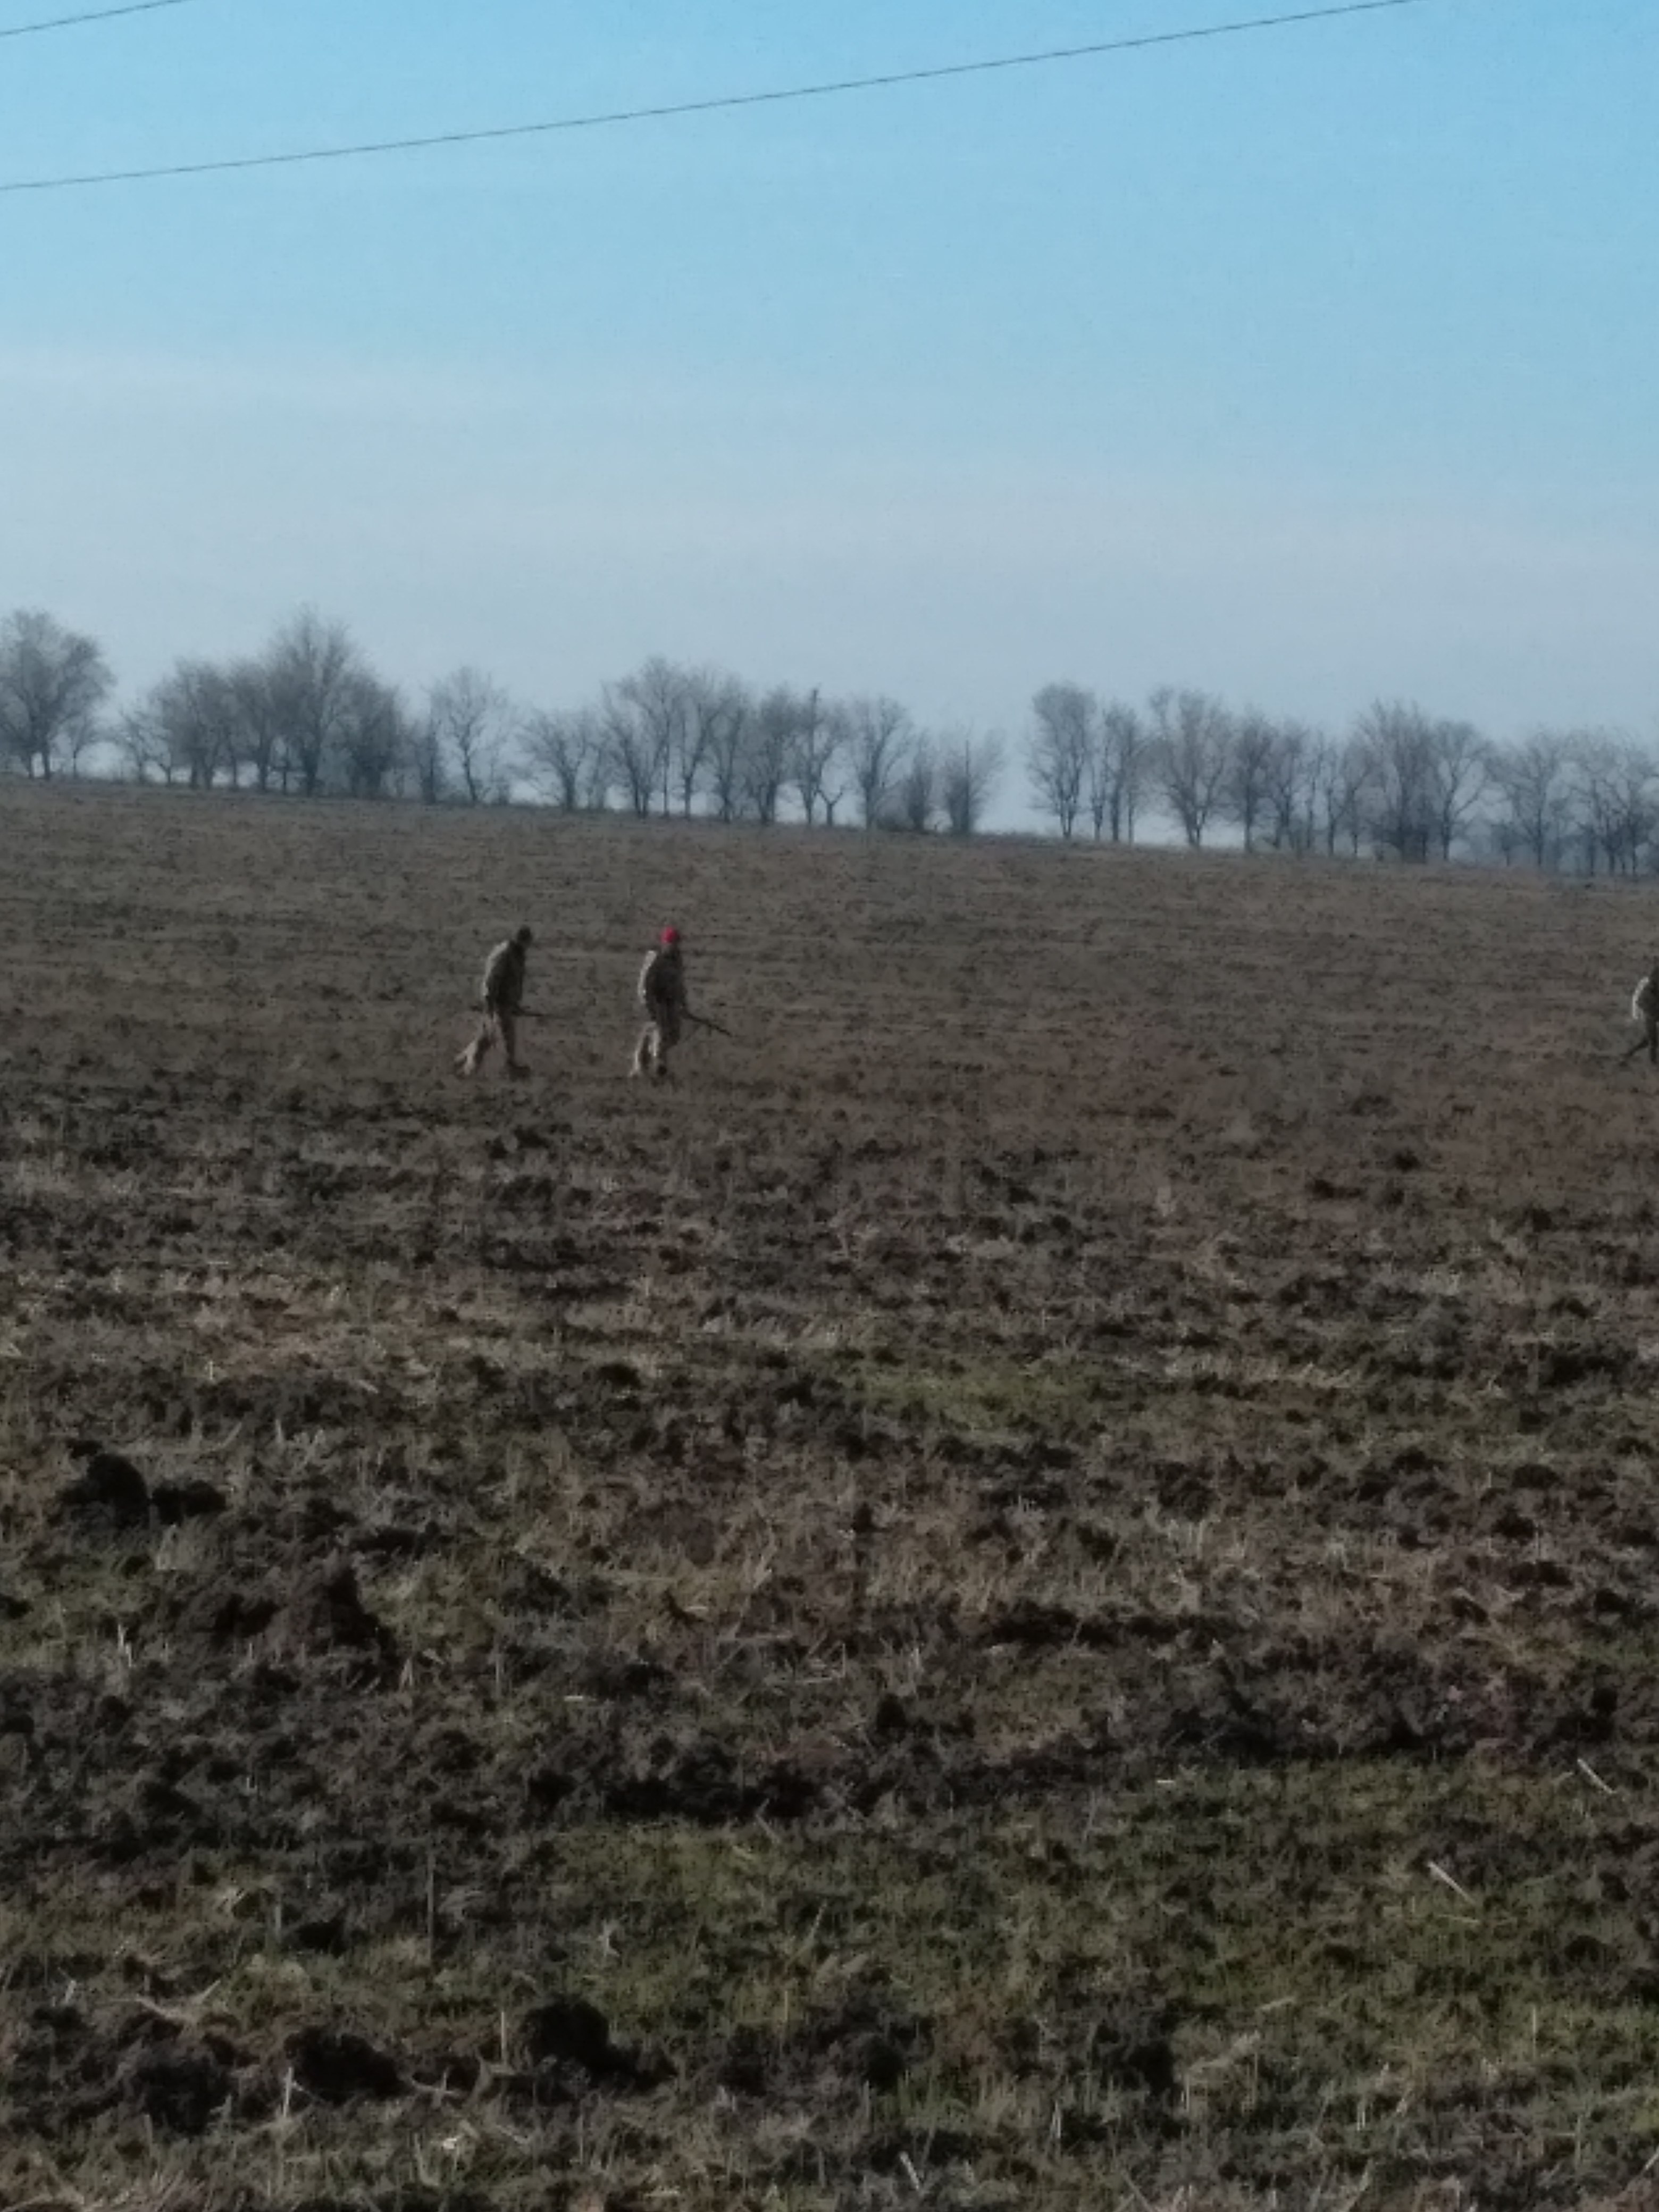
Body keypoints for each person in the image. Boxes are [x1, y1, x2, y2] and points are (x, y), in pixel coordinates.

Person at [457, 925, 533, 1078]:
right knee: (504, 1033)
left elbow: (515, 980)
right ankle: (510, 1066)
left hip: (506, 1001)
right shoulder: (504, 954)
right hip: (498, 1000)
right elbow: (492, 978)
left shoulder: (518, 954)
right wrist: (489, 1002)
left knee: (487, 1036)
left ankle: (463, 1061)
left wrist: (515, 1004)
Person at [632, 925, 690, 1080]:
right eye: (673, 943)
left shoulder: (677, 960)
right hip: (655, 1000)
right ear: (666, 943)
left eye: (677, 943)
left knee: (673, 1034)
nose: (676, 946)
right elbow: (645, 981)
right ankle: (658, 1063)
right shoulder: (655, 958)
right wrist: (648, 1002)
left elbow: (679, 983)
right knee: (660, 1031)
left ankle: (643, 1063)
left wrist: (683, 1003)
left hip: (670, 1001)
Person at [1624, 960, 1659, 1066]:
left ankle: (1630, 1053)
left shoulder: (1651, 978)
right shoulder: (1653, 979)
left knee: (1651, 1039)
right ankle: (1654, 1064)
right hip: (1651, 1008)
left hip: (1651, 1008)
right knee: (1653, 1040)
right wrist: (1635, 1015)